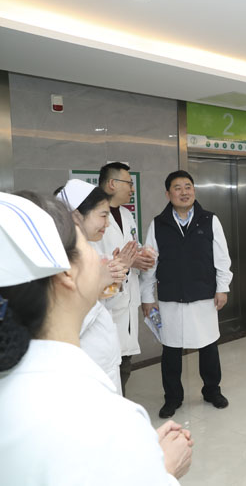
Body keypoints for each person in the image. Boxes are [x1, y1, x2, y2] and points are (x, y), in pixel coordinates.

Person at [0, 191, 193, 485]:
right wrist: (163, 471)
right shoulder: (101, 418)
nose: (99, 256)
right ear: (67, 274)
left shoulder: (1, 390)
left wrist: (139, 455)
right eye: (85, 244)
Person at [140, 170, 233, 419]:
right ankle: (172, 398)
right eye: (178, 188)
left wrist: (222, 288)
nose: (184, 192)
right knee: (171, 350)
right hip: (171, 298)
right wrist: (147, 298)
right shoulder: (158, 224)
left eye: (188, 186)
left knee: (208, 347)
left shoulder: (209, 220)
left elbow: (222, 258)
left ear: (194, 190)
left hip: (204, 296)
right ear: (168, 193)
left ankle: (212, 391)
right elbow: (149, 264)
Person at [55, 178, 128, 394]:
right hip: (85, 366)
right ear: (76, 215)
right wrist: (99, 284)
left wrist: (114, 281)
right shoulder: (60, 260)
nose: (107, 224)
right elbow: (65, 325)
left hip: (104, 360)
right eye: (103, 215)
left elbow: (104, 305)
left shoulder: (91, 250)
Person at [95, 162, 155, 395]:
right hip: (106, 301)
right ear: (112, 183)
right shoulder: (94, 216)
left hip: (127, 297)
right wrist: (127, 263)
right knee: (108, 364)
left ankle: (120, 403)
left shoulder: (126, 214)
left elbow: (131, 246)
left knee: (125, 360)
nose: (132, 188)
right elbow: (94, 258)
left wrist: (141, 256)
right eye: (129, 183)